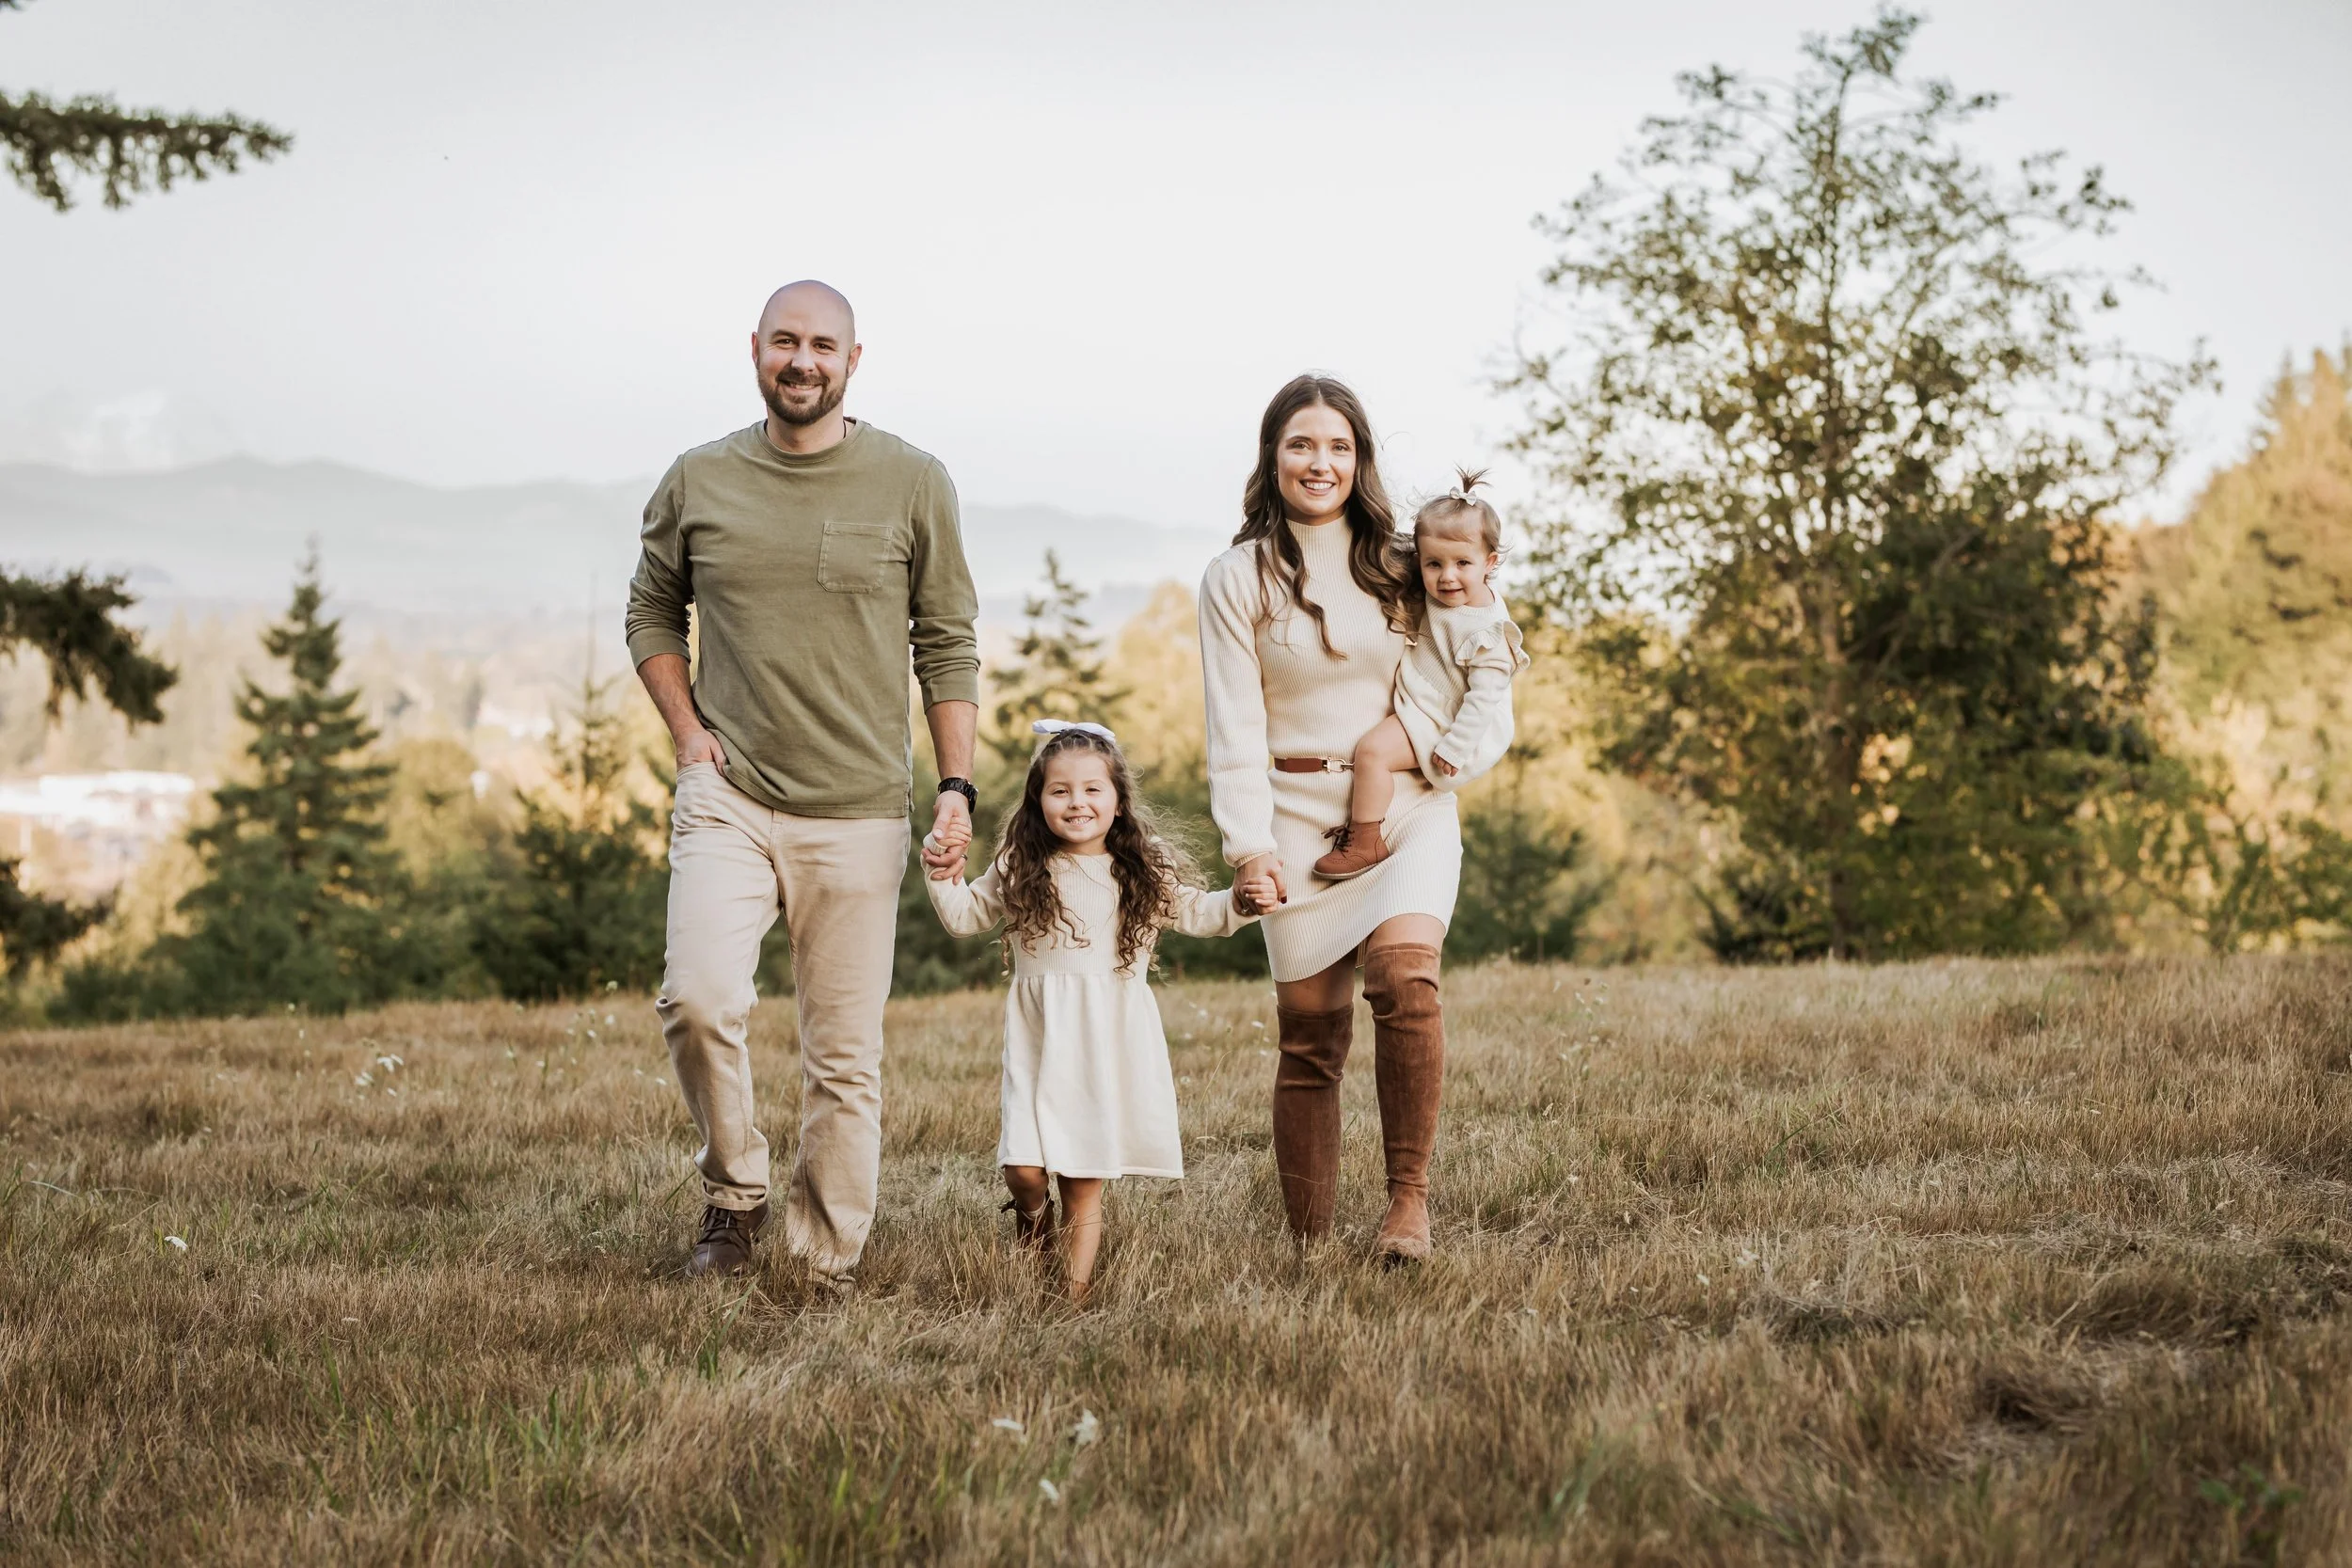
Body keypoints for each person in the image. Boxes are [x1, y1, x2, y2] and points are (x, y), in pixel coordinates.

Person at [624, 279, 980, 1284]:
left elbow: (947, 643)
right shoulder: (698, 477)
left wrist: (955, 787)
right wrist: (689, 733)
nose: (802, 360)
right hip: (727, 792)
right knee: (695, 998)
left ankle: (823, 1261)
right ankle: (733, 1197)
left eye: (823, 344)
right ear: (754, 350)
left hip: (859, 806)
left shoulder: (912, 480)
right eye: (785, 341)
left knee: (841, 1054)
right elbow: (651, 613)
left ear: (853, 361)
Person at [1198, 373, 1464, 1261]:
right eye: (1302, 444)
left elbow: (1471, 661)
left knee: (1404, 981)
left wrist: (1426, 748)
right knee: (1311, 1038)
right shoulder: (1239, 578)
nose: (1321, 462)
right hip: (1294, 814)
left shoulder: (1400, 560)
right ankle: (1310, 1244)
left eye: (1340, 446)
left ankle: (1407, 1210)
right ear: (1273, 456)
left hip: (1403, 803)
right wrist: (1248, 847)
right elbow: (1231, 727)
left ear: (1362, 460)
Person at [921, 721, 1276, 1304]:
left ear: (1117, 801)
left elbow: (1198, 912)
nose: (1077, 802)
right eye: (1059, 790)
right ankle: (1032, 1217)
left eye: (1093, 790)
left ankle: (1072, 1297)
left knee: (1084, 1179)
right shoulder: (1020, 862)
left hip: (1106, 1039)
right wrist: (944, 874)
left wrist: (1240, 901)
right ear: (1038, 800)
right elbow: (964, 916)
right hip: (1040, 1036)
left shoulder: (1138, 866)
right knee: (1024, 1168)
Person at [1312, 469, 1531, 879]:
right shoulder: (1440, 589)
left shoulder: (1489, 635)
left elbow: (1484, 700)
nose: (1446, 576)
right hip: (1431, 701)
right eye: (1434, 564)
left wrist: (1454, 746)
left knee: (1372, 752)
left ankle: (1365, 839)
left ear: (1490, 563)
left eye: (1462, 563)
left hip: (1452, 724)